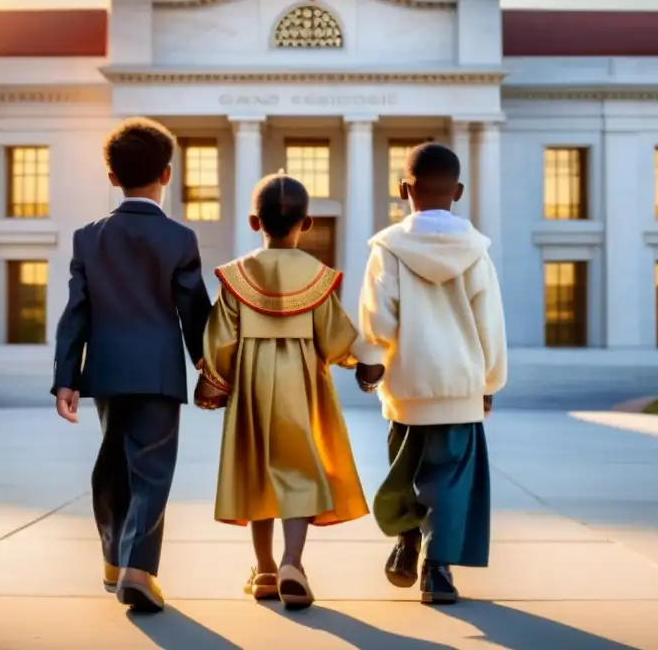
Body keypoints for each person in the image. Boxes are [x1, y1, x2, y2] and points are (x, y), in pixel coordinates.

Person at [194, 172, 381, 610]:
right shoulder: (318, 278)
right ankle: (293, 562)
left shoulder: (236, 277)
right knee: (299, 468)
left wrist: (215, 384)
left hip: (253, 388)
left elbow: (220, 340)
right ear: (308, 222)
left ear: (254, 222)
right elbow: (336, 338)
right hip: (302, 384)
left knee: (259, 469)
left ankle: (264, 570)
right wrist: (364, 364)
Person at [51, 117, 212, 613]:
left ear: (111, 177)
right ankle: (137, 568)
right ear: (167, 174)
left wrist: (65, 378)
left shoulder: (88, 237)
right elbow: (194, 311)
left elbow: (76, 309)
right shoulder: (180, 239)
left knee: (113, 466)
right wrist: (210, 366)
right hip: (160, 375)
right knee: (152, 471)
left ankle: (112, 560)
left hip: (107, 373)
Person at [357, 142, 508, 605]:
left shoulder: (389, 248)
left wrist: (369, 361)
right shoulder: (477, 252)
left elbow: (378, 314)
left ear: (404, 189)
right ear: (458, 191)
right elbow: (490, 324)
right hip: (459, 388)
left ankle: (405, 542)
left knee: (405, 474)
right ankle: (437, 572)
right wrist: (490, 383)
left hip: (407, 389)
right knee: (450, 482)